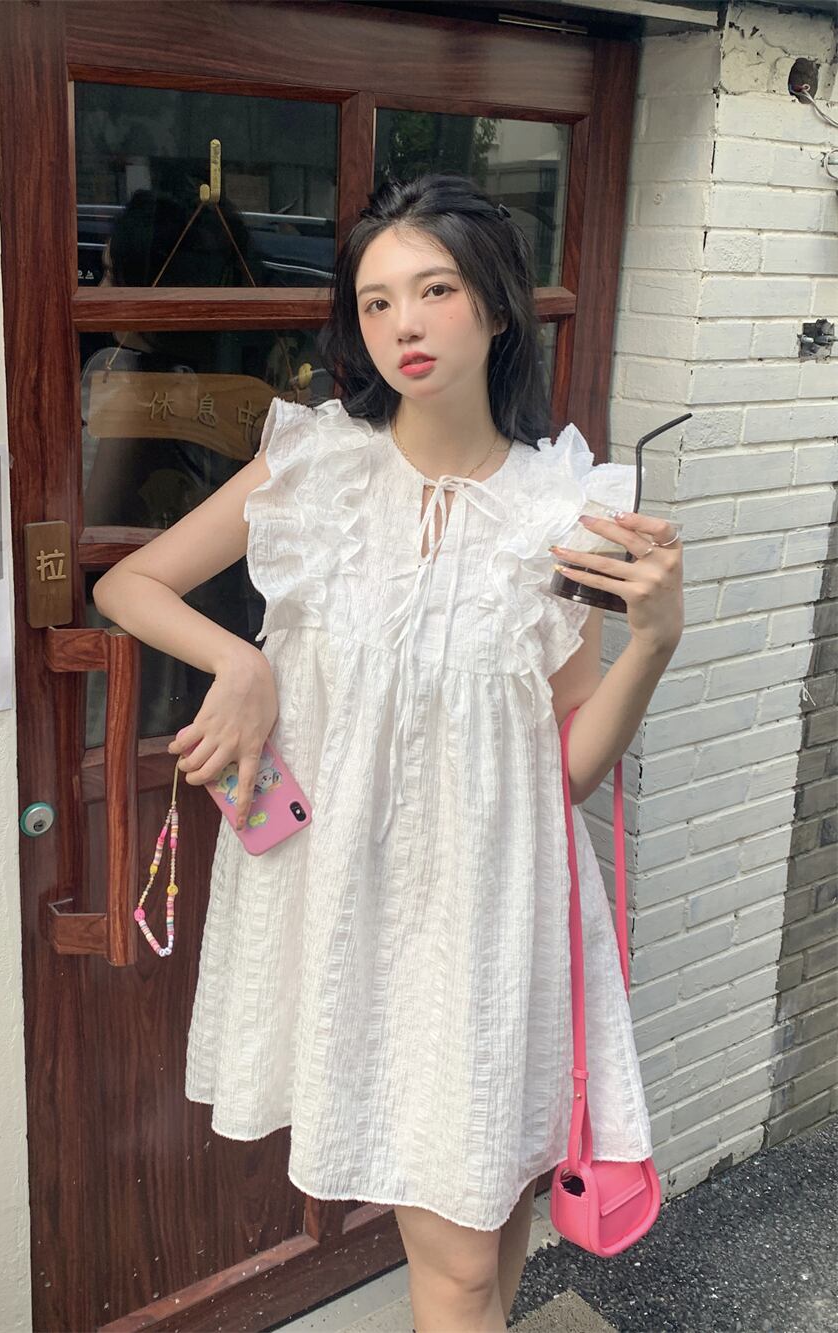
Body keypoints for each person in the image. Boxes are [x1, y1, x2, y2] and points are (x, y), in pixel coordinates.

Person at [92, 173, 684, 1333]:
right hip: (349, 911)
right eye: (375, 301)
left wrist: (654, 640)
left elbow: (564, 770)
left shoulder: (562, 509)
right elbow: (130, 584)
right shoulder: (315, 466)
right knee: (468, 1253)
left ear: (496, 307)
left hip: (492, 921)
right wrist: (238, 662)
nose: (403, 323)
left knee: (480, 1239)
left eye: (434, 290)